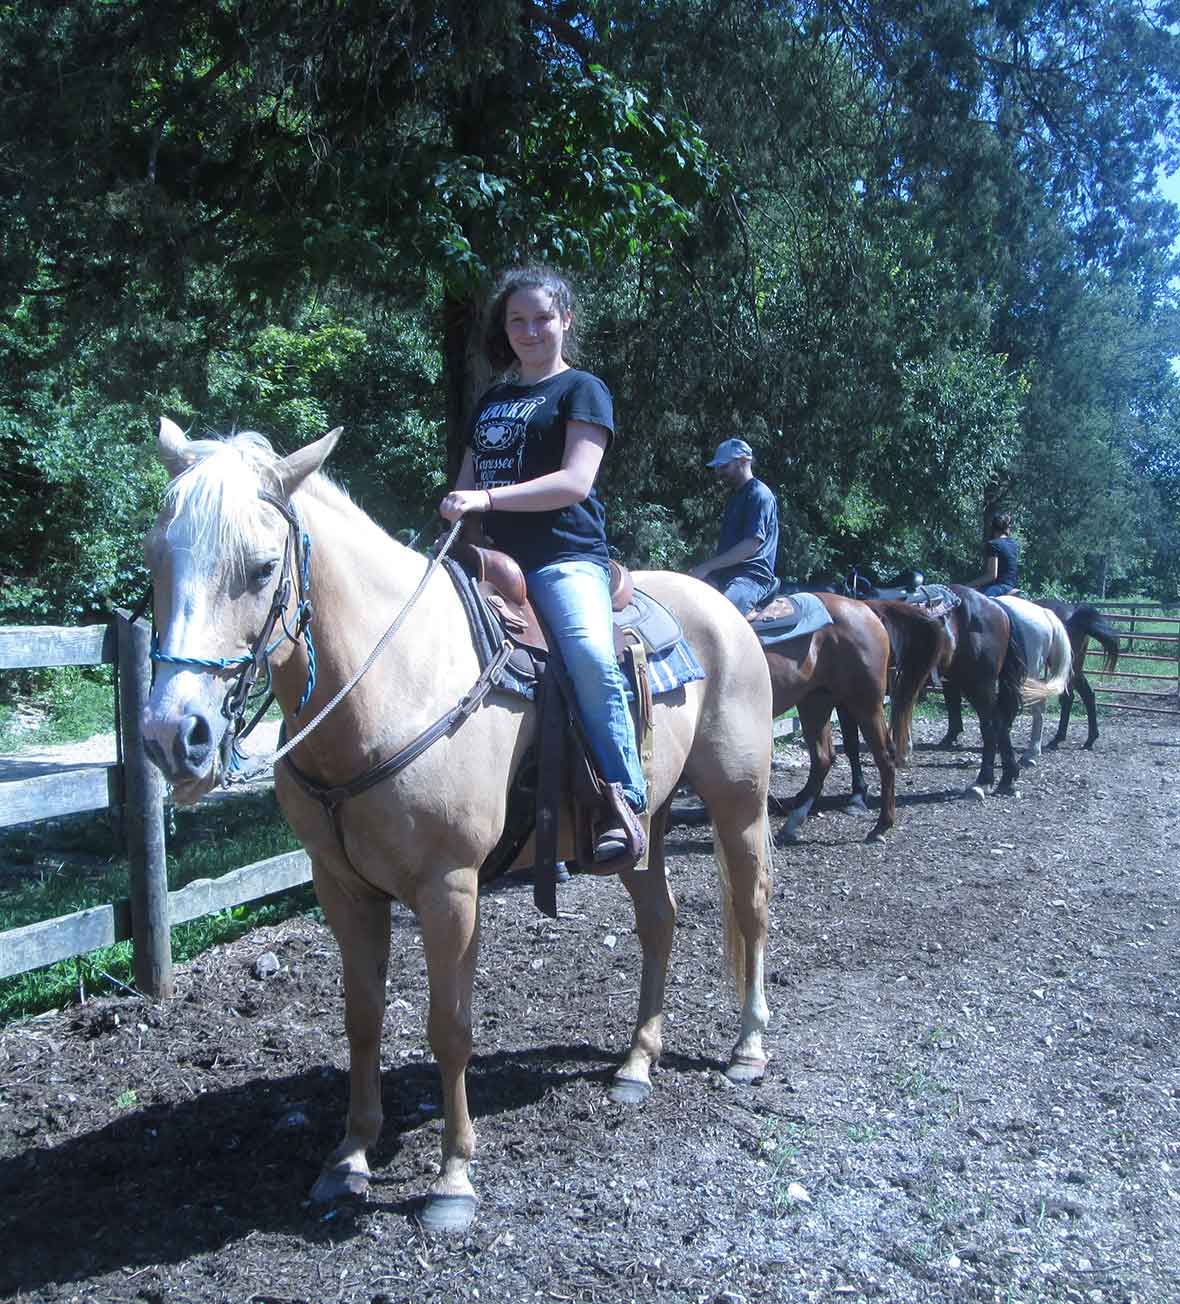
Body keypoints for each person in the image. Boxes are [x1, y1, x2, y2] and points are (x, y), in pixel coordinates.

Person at [439, 266, 646, 864]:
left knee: (587, 654)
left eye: (542, 318)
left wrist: (487, 499)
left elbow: (576, 482)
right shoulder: (495, 400)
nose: (530, 330)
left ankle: (622, 798)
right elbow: (469, 482)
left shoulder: (582, 390)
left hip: (563, 556)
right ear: (505, 328)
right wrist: (458, 513)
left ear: (565, 321)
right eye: (517, 320)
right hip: (491, 559)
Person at [690, 438, 780, 614]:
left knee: (720, 618)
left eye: (724, 466)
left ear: (744, 462)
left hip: (750, 578)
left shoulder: (759, 495)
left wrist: (707, 566)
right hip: (725, 574)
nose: (718, 472)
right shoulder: (736, 497)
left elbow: (750, 546)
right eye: (717, 468)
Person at [969, 512, 1020, 597]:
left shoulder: (993, 544)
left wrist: (969, 585)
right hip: (1011, 586)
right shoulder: (1014, 544)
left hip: (999, 587)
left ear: (993, 528)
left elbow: (992, 575)